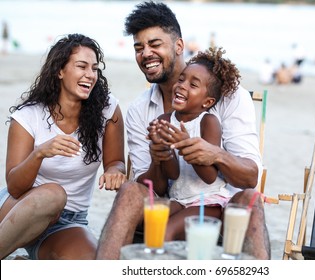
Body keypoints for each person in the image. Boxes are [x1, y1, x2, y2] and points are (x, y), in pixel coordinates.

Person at [96, 1, 270, 260]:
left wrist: (214, 154)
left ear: (179, 46)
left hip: (221, 204)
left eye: (155, 44)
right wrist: (160, 156)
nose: (145, 54)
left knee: (250, 203)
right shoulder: (141, 110)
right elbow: (155, 186)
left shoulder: (230, 97)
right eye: (139, 48)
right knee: (130, 192)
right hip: (174, 203)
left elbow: (249, 177)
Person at [0, 33, 126, 260]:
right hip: (20, 209)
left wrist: (114, 171)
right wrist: (39, 154)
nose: (90, 75)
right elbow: (15, 187)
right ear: (60, 71)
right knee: (53, 194)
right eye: (82, 66)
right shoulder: (28, 116)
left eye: (95, 68)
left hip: (68, 221)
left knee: (91, 262)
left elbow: (116, 162)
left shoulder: (107, 110)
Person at [148, 47, 241, 240]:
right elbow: (172, 174)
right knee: (151, 223)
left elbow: (209, 176)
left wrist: (185, 145)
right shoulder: (166, 119)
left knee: (165, 232)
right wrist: (162, 149)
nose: (182, 85)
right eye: (181, 79)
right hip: (179, 198)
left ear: (207, 102)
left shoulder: (208, 122)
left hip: (207, 201)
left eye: (193, 84)